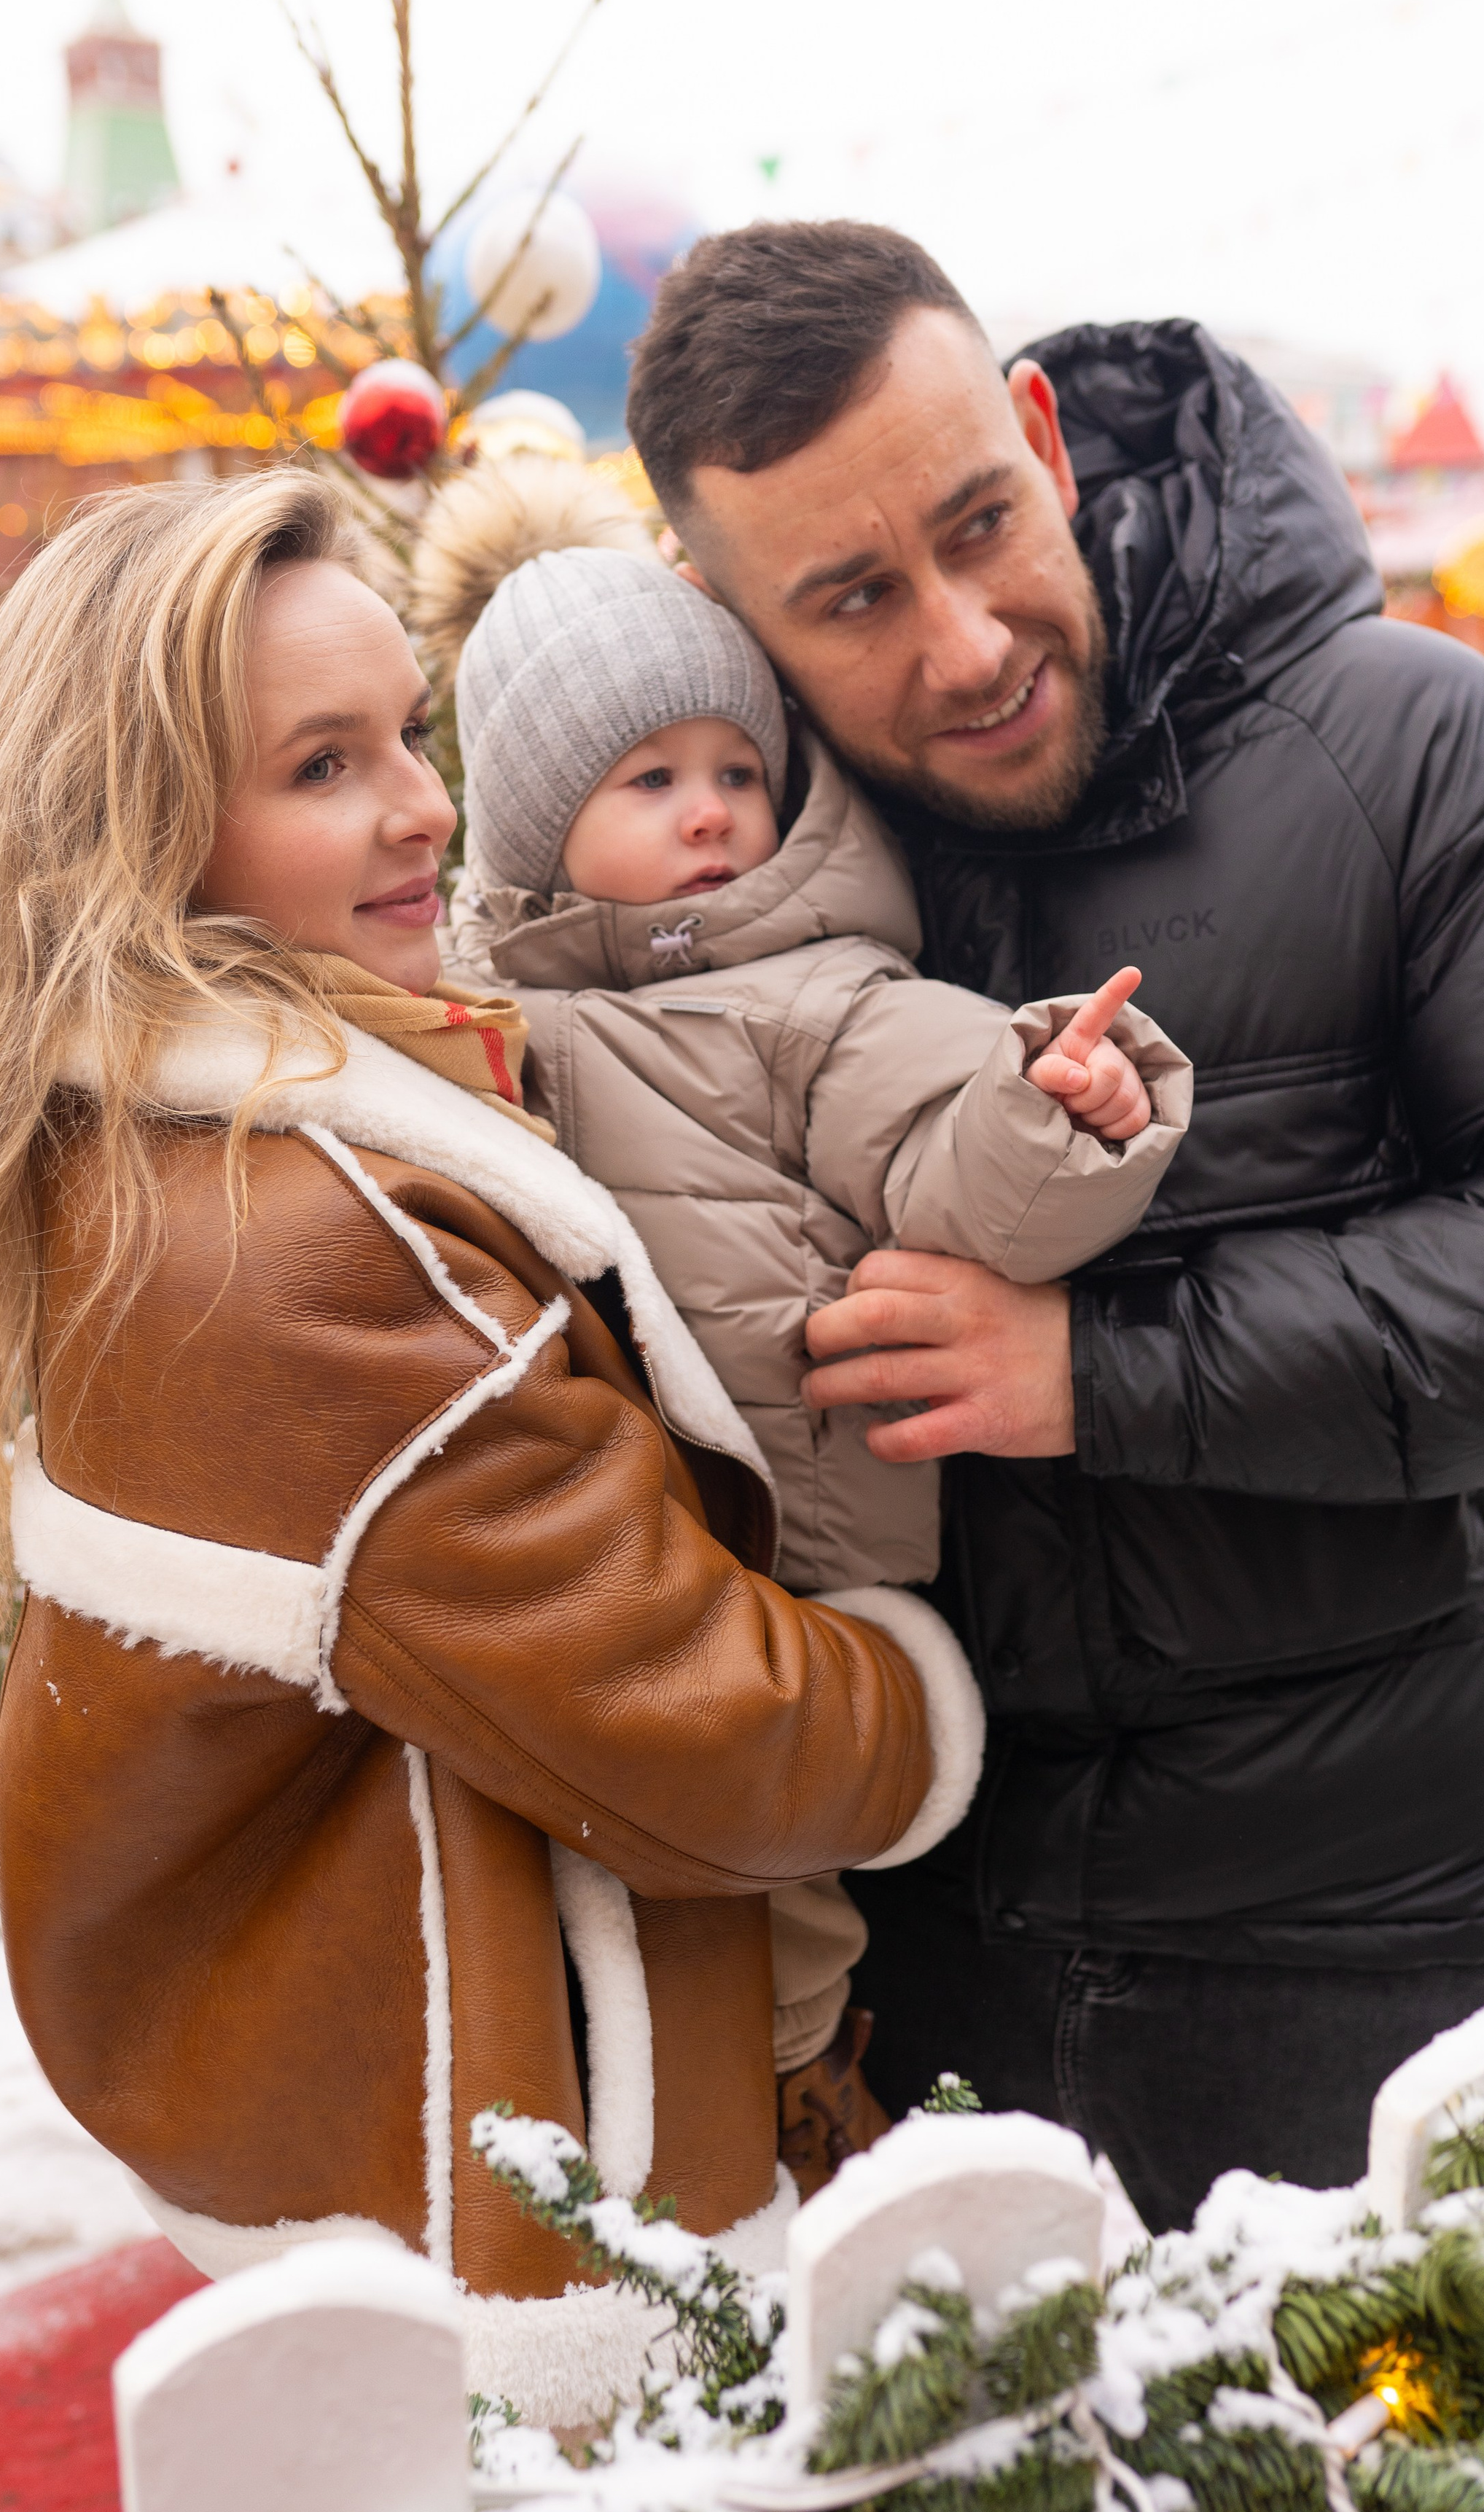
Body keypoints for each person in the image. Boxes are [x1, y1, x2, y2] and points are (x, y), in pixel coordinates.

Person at [0, 469, 981, 2422]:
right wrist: (928, 1677)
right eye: (324, 766)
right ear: (146, 838)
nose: (426, 806)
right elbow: (712, 1727)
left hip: (374, 2134)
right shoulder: (312, 1250)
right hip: (548, 2208)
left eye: (408, 730)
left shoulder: (187, 1143)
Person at [625, 219, 1484, 2234]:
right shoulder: (716, 882)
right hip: (914, 1955)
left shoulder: (1421, 750)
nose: (966, 642)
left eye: (984, 523)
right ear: (717, 608)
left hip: (1366, 1947)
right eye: (855, 598)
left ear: (1047, 437)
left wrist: (1097, 1370)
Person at [417, 464, 1190, 2191]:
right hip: (586, 1549)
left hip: (792, 1546)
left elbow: (951, 1159)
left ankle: (786, 2109)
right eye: (650, 780)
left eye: (735, 772)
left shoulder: (811, 992)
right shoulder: (485, 1013)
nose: (709, 812)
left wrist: (1060, 1104)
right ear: (535, 830)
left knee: (771, 1889)